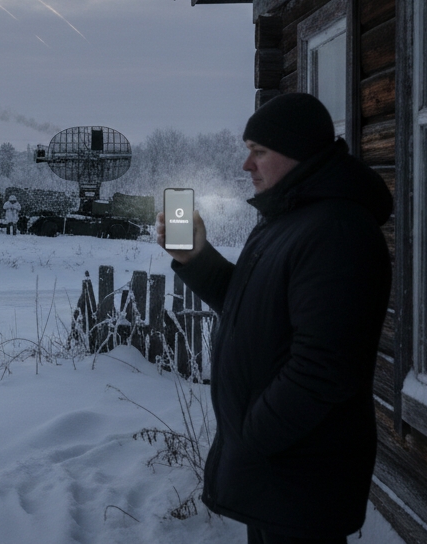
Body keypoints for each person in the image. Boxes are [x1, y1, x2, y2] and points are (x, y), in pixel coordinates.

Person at [155, 93, 391, 544]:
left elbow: (323, 368)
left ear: (299, 152)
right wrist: (196, 257)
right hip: (279, 475)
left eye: (259, 151)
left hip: (300, 477)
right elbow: (254, 312)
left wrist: (252, 434)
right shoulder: (291, 221)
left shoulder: (336, 232)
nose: (247, 166)